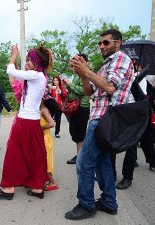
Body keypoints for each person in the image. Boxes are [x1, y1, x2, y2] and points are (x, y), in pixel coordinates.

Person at [65, 29, 134, 220]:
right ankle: (109, 202)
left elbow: (110, 87)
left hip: (106, 119)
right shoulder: (105, 65)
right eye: (100, 43)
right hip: (100, 118)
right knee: (102, 162)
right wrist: (82, 75)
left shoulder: (121, 59)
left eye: (106, 42)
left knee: (84, 161)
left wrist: (87, 70)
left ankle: (86, 205)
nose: (101, 46)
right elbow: (89, 92)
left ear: (118, 43)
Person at [0, 44, 52, 200]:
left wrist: (14, 55)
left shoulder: (36, 75)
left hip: (24, 120)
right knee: (36, 154)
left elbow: (10, 71)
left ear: (37, 63)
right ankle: (37, 187)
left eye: (30, 60)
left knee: (14, 153)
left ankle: (8, 188)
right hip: (33, 121)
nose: (26, 63)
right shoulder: (42, 76)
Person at [111, 51, 155, 190]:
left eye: (133, 62)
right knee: (110, 145)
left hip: (134, 115)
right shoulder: (117, 75)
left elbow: (142, 97)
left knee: (131, 147)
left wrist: (136, 78)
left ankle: (127, 177)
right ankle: (111, 174)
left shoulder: (139, 78)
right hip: (118, 112)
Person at [63, 54, 90, 165]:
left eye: (75, 62)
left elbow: (82, 90)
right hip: (75, 108)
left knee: (80, 134)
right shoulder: (75, 75)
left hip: (82, 107)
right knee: (76, 133)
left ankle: (81, 158)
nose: (73, 65)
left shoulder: (84, 74)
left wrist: (69, 85)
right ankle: (80, 155)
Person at [40, 97, 59, 191]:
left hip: (46, 139)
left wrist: (40, 128)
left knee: (45, 161)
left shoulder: (44, 110)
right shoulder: (41, 110)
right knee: (42, 160)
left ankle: (52, 183)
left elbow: (52, 123)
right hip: (44, 138)